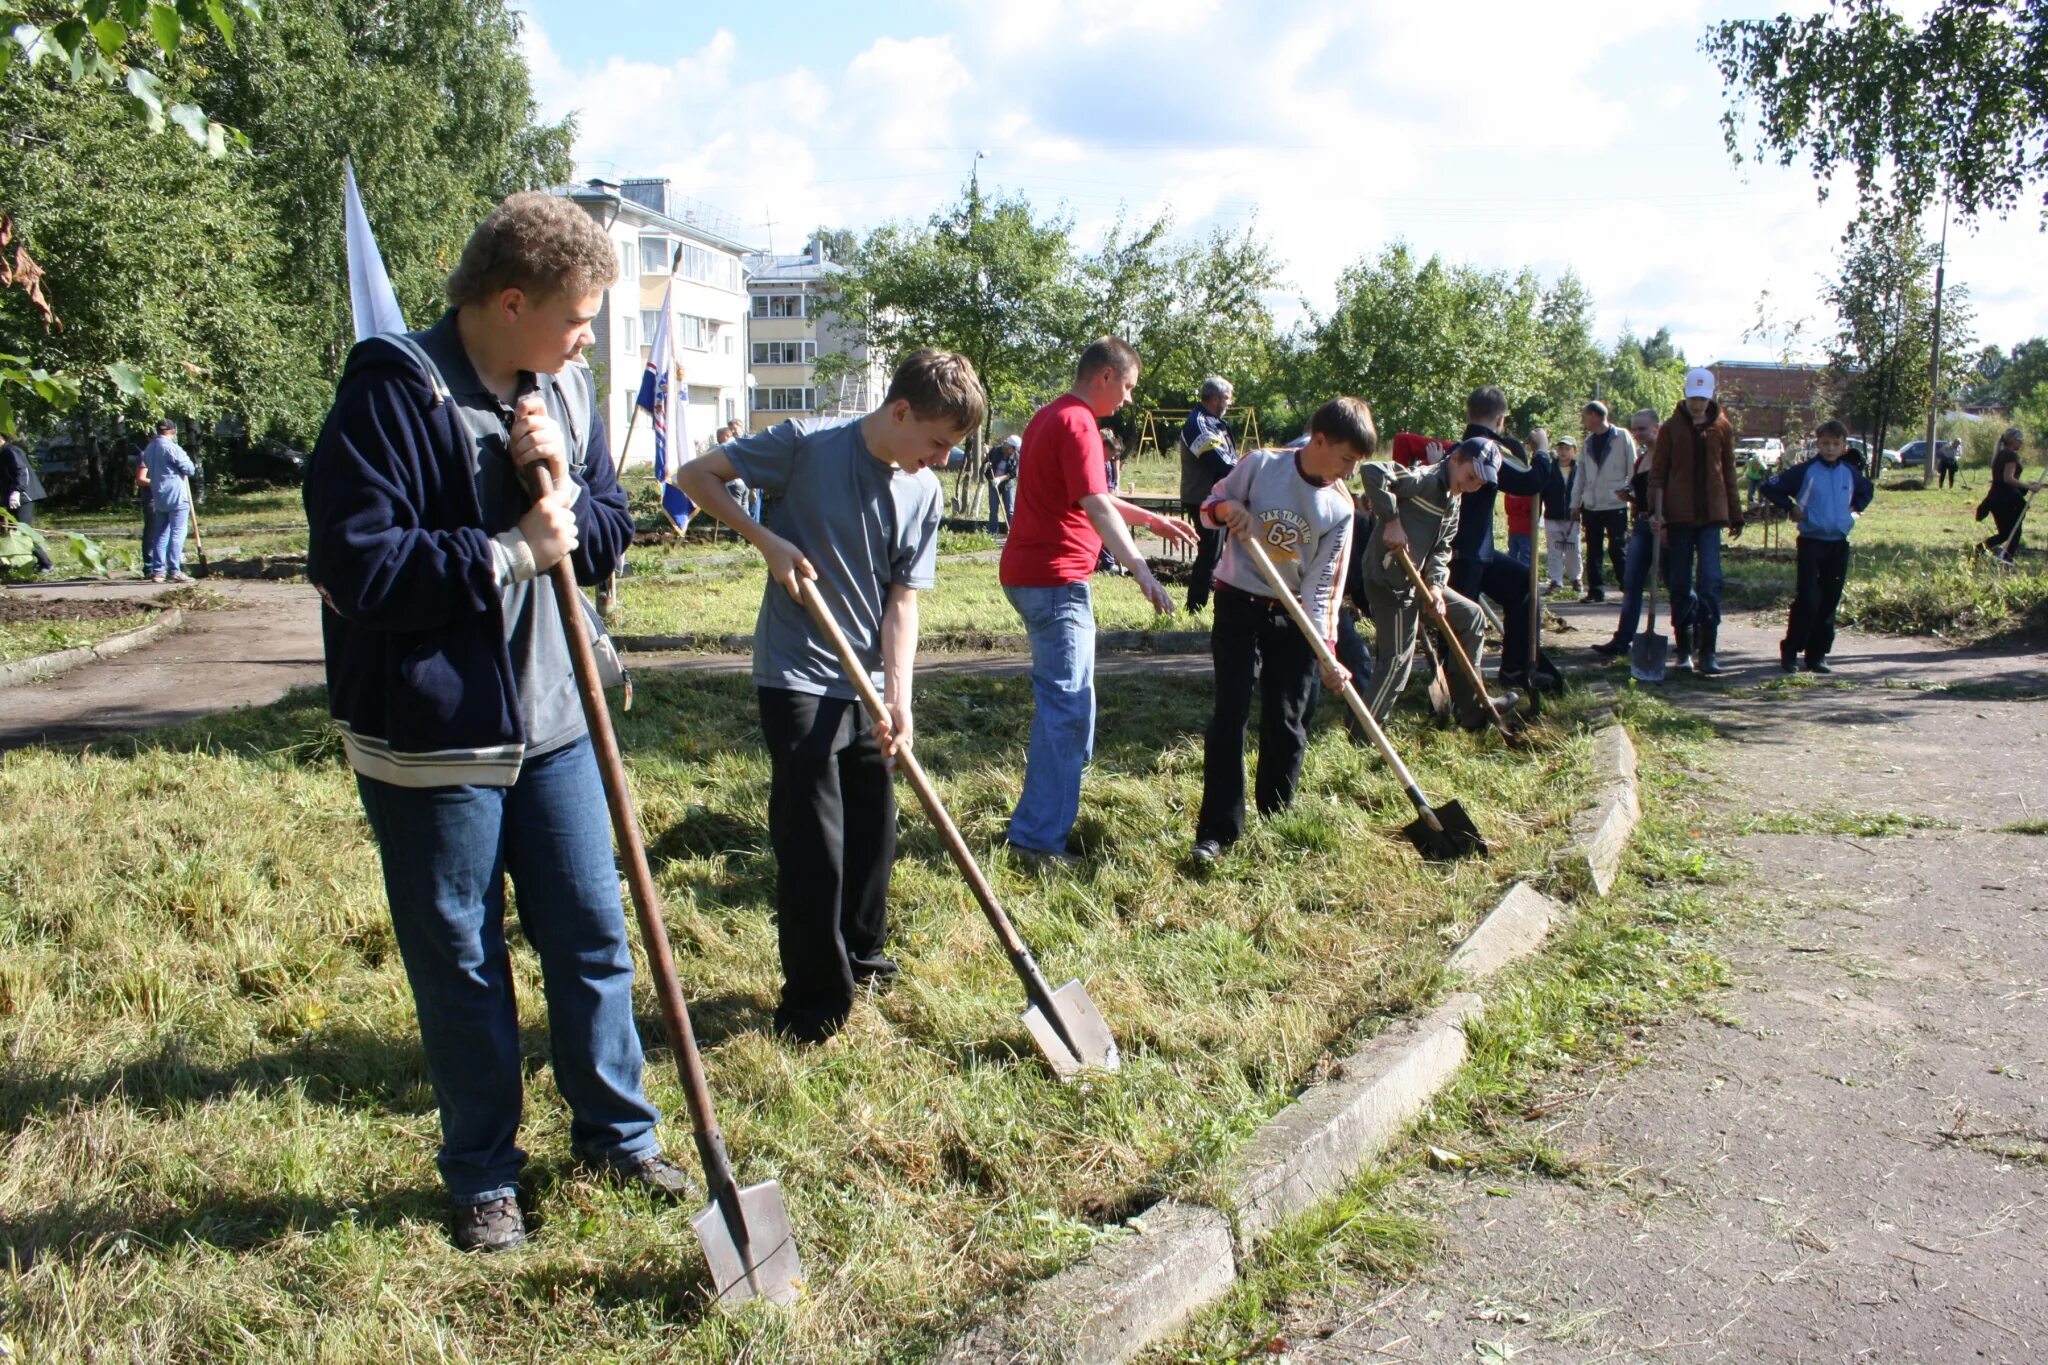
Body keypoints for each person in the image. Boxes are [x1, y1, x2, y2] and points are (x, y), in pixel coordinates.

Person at [305, 190, 678, 1253]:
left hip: (557, 724)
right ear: (508, 301)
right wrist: (510, 546)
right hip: (435, 743)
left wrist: (555, 479)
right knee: (464, 961)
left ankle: (618, 1134)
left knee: (591, 935)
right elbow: (355, 562)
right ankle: (482, 1173)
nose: (581, 341)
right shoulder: (393, 392)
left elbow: (603, 531)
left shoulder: (558, 391)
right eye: (571, 319)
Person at [677, 350, 981, 1043]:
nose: (940, 459)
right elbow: (695, 476)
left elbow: (903, 600)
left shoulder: (922, 492)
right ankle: (814, 1003)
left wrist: (899, 696)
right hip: (796, 673)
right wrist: (767, 540)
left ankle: (864, 956)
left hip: (867, 681)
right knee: (814, 840)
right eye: (936, 442)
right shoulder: (803, 447)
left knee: (874, 828)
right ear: (900, 411)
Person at [1000, 338, 1197, 867]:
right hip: (1054, 580)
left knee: (1074, 708)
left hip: (1038, 576)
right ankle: (1037, 841)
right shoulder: (1080, 423)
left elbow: (1096, 496)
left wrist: (1153, 520)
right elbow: (1095, 507)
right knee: (1066, 712)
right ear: (1106, 376)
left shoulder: (1052, 415)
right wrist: (1141, 570)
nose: (1129, 401)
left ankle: (1048, 812)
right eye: (1129, 387)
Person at [1190, 398, 1374, 864]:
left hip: (1294, 618)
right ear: (1320, 440)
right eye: (1347, 458)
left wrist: (1328, 651)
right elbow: (1208, 507)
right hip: (1238, 603)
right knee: (1230, 715)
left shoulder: (1340, 508)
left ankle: (1276, 816)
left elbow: (1324, 588)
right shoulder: (1262, 466)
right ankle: (1218, 830)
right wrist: (1229, 507)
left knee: (1288, 717)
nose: (1350, 471)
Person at [1358, 438, 1514, 729]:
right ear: (1454, 460)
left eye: (1479, 484)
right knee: (1397, 663)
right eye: (1470, 477)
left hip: (1418, 582)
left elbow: (1442, 549)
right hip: (1390, 580)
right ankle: (1364, 733)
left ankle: (1472, 709)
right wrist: (1392, 520)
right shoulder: (1424, 480)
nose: (1471, 486)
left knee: (1471, 616)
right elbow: (1372, 471)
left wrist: (1436, 588)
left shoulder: (1454, 500)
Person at [1445, 386, 1551, 691]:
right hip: (1463, 554)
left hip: (1479, 552)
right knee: (1458, 625)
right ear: (1501, 419)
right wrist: (1542, 449)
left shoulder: (1465, 445)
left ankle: (1516, 669)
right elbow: (1531, 482)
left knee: (1523, 585)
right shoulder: (1485, 450)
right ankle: (1457, 690)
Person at [1650, 367, 1744, 675]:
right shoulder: (1671, 428)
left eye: (1703, 399)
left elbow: (1729, 471)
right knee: (1679, 581)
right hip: (1678, 516)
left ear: (1710, 397)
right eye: (1693, 398)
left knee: (1710, 581)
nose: (1698, 405)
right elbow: (1659, 472)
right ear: (1686, 396)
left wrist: (1736, 512)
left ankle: (1709, 650)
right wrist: (1656, 509)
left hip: (1712, 517)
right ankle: (1684, 648)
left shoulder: (1722, 427)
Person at [1761, 419, 1875, 674]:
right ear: (1817, 444)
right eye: (1825, 443)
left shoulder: (1849, 473)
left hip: (1838, 543)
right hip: (1812, 543)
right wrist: (1792, 508)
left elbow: (1867, 491)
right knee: (1809, 599)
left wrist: (1853, 513)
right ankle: (1791, 650)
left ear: (1845, 446)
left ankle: (1818, 654)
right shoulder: (1806, 470)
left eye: (1836, 444)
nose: (1830, 448)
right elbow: (1770, 487)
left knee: (1829, 600)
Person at [1592, 409, 1667, 658]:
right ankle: (1623, 640)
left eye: (1642, 429)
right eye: (1634, 429)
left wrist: (1665, 516)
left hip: (1666, 529)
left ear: (1656, 428)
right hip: (1643, 526)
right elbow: (1642, 494)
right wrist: (1630, 497)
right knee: (1632, 583)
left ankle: (1691, 639)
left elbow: (1677, 492)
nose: (1637, 433)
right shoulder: (1641, 459)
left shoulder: (1669, 457)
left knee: (1676, 584)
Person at [1178, 375, 1236, 613]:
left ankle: (1215, 603)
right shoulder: (1198, 424)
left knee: (1219, 553)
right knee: (1209, 554)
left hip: (1217, 496)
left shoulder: (1212, 422)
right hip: (1202, 498)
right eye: (1227, 398)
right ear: (1214, 398)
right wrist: (1248, 471)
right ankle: (1195, 607)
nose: (1229, 403)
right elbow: (1220, 462)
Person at [1570, 401, 1634, 602]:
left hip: (1616, 501)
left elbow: (1633, 466)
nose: (1583, 420)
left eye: (1585, 415)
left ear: (1596, 416)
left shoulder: (1621, 436)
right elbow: (1580, 475)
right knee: (1593, 549)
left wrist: (1632, 493)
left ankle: (1628, 589)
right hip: (1592, 504)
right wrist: (1575, 503)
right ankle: (1596, 591)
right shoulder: (1588, 442)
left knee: (1618, 548)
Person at [139, 419, 195, 583]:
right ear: (173, 431)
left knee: (160, 534)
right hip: (177, 495)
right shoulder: (172, 448)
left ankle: (158, 571)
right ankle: (174, 569)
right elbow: (189, 469)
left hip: (158, 496)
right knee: (178, 532)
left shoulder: (149, 449)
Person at [1980, 426, 2040, 561]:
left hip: (1995, 497)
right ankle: (2006, 560)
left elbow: (2004, 478)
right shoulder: (2010, 455)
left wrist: (2028, 484)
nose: (2022, 443)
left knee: (2005, 534)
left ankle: (1978, 550)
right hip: (2007, 499)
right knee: (2014, 532)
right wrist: (2029, 487)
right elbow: (2008, 478)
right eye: (2020, 440)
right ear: (2013, 440)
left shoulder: (2000, 453)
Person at [1, 435, 53, 574]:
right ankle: (11, 564)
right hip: (11, 498)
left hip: (23, 497)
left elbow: (22, 471)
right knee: (11, 531)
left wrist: (17, 491)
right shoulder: (3, 453)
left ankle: (46, 563)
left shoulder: (11, 451)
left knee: (23, 530)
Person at [1541, 435, 1581, 595]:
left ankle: (1575, 579)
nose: (1563, 452)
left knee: (1574, 550)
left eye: (1567, 449)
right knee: (1554, 550)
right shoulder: (1550, 469)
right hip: (1553, 515)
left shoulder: (1579, 469)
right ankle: (1556, 580)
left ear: (1574, 451)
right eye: (1561, 448)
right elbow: (1542, 492)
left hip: (1573, 516)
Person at [1503, 426, 1542, 568]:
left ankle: (1524, 579)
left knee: (1525, 555)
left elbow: (1531, 508)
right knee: (1513, 555)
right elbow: (1509, 508)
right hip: (1514, 528)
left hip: (1525, 529)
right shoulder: (1511, 488)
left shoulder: (1526, 483)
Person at [987, 433, 1020, 532]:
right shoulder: (996, 450)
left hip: (1007, 485)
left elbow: (1013, 473)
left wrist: (1000, 479)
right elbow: (984, 460)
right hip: (993, 484)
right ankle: (992, 532)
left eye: (1015, 449)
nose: (1014, 451)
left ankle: (1012, 533)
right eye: (1013, 449)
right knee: (993, 510)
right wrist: (984, 456)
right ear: (1008, 446)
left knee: (1010, 510)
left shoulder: (1016, 457)